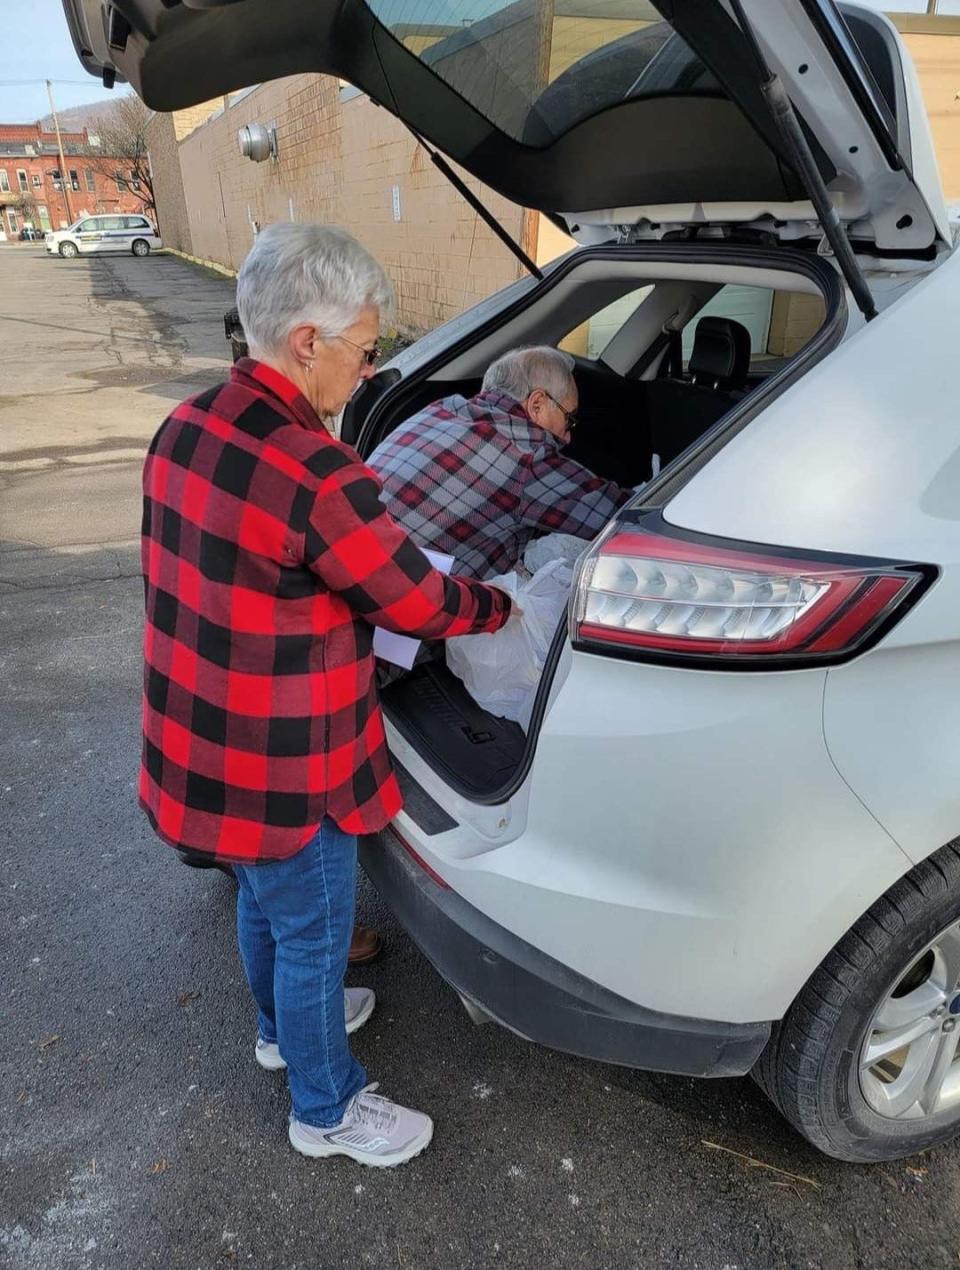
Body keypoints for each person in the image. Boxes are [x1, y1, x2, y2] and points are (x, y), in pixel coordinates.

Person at [138, 222, 512, 1167]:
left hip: (202, 738)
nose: (367, 369)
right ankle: (328, 1107)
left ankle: (280, 1028)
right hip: (286, 761)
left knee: (264, 900)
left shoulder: (185, 425)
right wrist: (499, 605)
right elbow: (417, 600)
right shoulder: (316, 472)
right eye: (365, 349)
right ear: (310, 341)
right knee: (313, 926)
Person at [367, 346, 634, 580]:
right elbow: (622, 518)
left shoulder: (442, 408)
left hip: (345, 573)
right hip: (396, 616)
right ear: (537, 404)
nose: (568, 435)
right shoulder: (527, 457)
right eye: (569, 418)